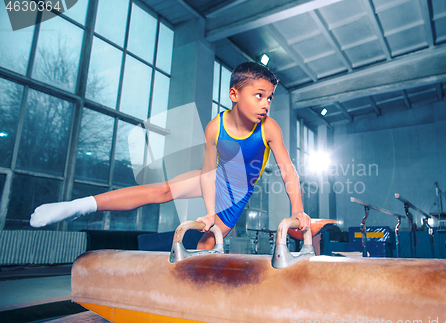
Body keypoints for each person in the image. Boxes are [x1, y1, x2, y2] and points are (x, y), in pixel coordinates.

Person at [30, 62, 311, 250]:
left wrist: (296, 209)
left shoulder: (269, 129)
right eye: (259, 95)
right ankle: (78, 205)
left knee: (206, 245)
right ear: (234, 94)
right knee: (162, 189)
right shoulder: (215, 127)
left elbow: (287, 170)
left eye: (270, 97)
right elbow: (206, 171)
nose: (266, 104)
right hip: (213, 178)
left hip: (238, 193)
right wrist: (210, 209)